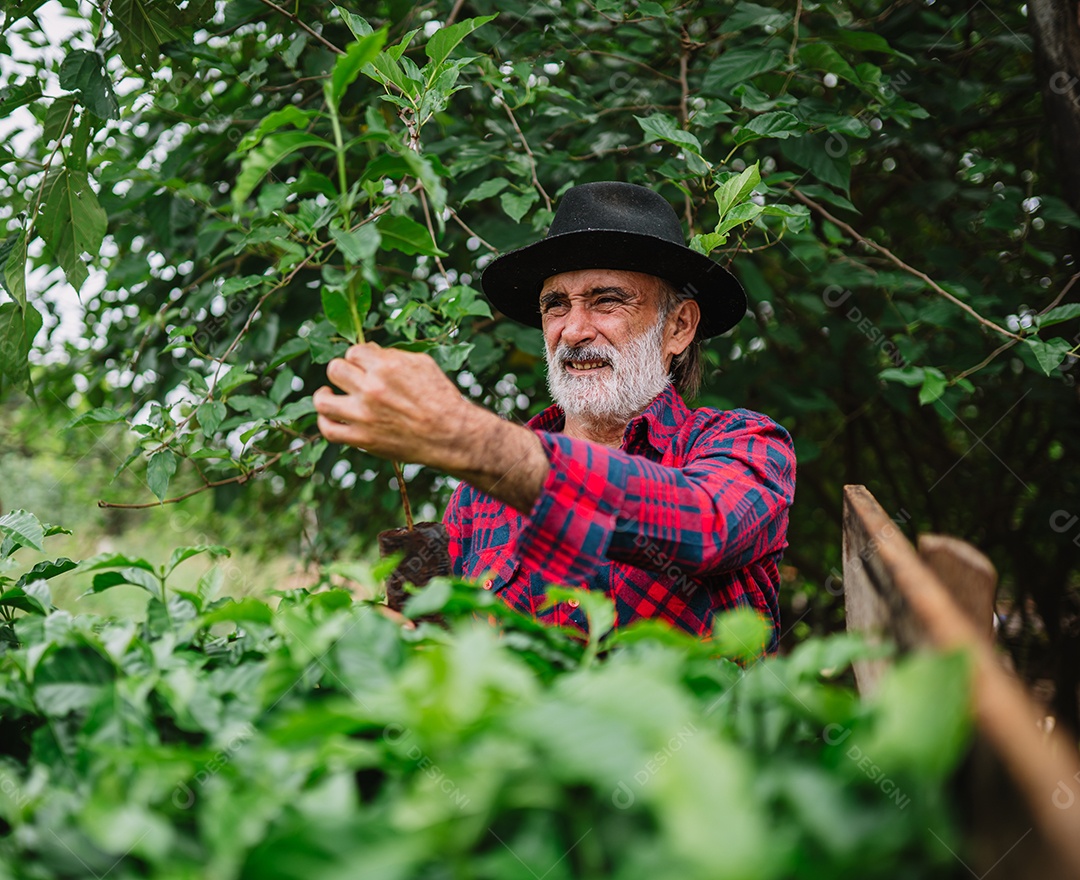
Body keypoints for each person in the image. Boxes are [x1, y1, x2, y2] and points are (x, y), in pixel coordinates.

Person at [313, 181, 796, 651]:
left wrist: (461, 435)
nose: (574, 331)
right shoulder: (476, 496)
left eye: (607, 300)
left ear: (679, 327)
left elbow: (708, 525)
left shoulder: (742, 442)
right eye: (555, 305)